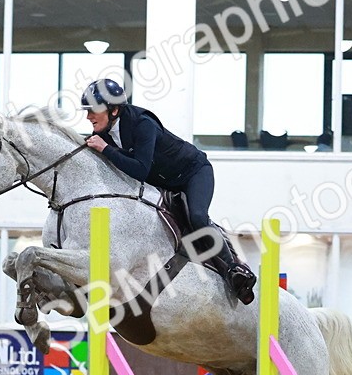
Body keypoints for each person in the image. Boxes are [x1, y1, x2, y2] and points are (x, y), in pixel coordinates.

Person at [80, 78, 257, 305]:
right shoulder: (103, 133)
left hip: (193, 173)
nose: (88, 117)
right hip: (163, 182)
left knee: (197, 217)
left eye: (93, 111)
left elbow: (140, 170)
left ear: (114, 110)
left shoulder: (142, 124)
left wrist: (105, 149)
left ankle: (233, 269)